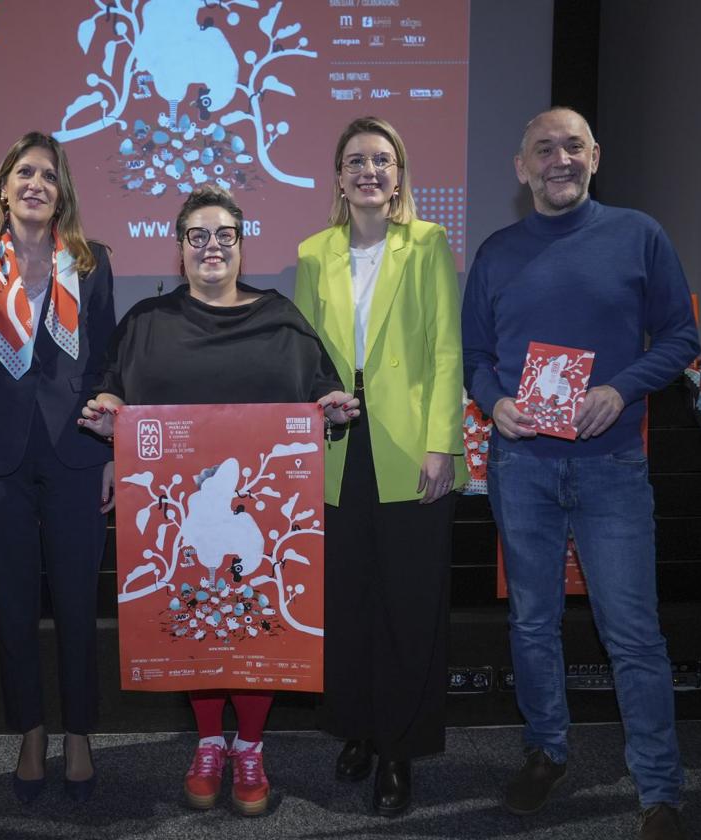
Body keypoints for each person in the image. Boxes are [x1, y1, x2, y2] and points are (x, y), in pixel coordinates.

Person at [79, 185, 358, 817]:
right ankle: (209, 742)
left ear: (240, 244)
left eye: (224, 235)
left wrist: (332, 411)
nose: (212, 246)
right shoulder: (146, 324)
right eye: (198, 236)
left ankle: (251, 747)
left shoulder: (282, 319)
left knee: (258, 618)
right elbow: (113, 394)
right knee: (193, 617)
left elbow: (323, 394)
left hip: (259, 515)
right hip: (180, 518)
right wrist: (107, 420)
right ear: (179, 250)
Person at [461, 107, 699, 840]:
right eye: (543, 148)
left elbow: (683, 336)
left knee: (631, 632)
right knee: (532, 622)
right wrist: (496, 403)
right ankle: (546, 752)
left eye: (572, 146)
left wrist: (620, 388)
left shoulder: (639, 235)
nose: (558, 159)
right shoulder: (496, 254)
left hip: (611, 466)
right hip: (522, 464)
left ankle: (660, 791)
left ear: (595, 156)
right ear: (520, 166)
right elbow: (474, 358)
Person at [293, 116, 467, 817]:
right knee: (347, 599)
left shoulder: (426, 244)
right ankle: (359, 727)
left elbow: (448, 349)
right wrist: (312, 410)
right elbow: (302, 354)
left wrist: (442, 444)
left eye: (383, 160)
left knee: (408, 601)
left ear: (399, 178)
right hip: (336, 447)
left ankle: (399, 747)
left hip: (409, 448)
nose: (369, 170)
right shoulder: (312, 253)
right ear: (338, 177)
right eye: (356, 160)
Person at [0, 132, 115, 804]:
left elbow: (104, 363)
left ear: (62, 189)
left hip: (76, 452)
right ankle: (31, 731)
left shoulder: (92, 261)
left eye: (48, 174)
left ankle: (78, 732)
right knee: (14, 605)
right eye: (24, 173)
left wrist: (108, 454)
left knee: (77, 602)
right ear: (5, 187)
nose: (35, 183)